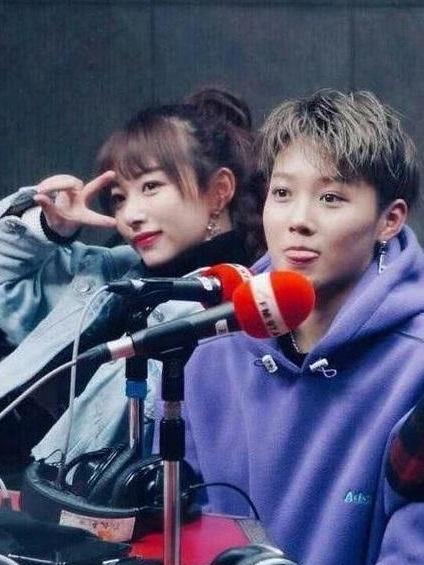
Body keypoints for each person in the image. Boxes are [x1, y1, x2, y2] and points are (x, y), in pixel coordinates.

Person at [176, 90, 424, 564]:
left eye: (331, 198)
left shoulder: (415, 363)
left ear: (389, 220)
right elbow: (184, 528)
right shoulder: (215, 348)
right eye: (283, 193)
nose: (298, 221)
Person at [0, 88, 264, 465]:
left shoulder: (246, 300)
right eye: (119, 198)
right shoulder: (113, 277)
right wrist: (49, 228)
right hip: (61, 490)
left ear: (219, 191)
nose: (130, 215)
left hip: (162, 496)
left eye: (151, 186)